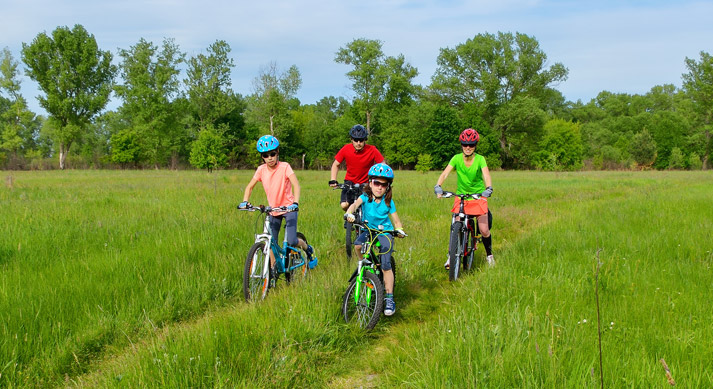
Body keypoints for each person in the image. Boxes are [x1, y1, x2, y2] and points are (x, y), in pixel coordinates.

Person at [239, 135, 314, 274]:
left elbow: (296, 185)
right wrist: (245, 201)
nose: (270, 158)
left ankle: (307, 248)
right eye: (266, 155)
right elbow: (249, 187)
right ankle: (273, 270)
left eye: (272, 154)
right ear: (262, 157)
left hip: (289, 208)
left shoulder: (285, 167)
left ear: (277, 152)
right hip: (273, 210)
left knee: (291, 241)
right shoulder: (261, 170)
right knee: (271, 241)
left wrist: (295, 203)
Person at [345, 163, 406, 316]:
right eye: (376, 183)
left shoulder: (388, 201)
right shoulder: (365, 197)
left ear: (388, 186)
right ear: (370, 183)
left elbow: (397, 221)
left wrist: (399, 230)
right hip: (368, 229)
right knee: (358, 246)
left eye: (383, 184)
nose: (379, 187)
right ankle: (363, 263)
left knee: (385, 264)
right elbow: (353, 205)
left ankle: (389, 297)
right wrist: (350, 214)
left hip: (384, 232)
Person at [434, 128, 495, 267]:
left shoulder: (480, 159)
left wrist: (488, 188)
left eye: (471, 145)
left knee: (484, 229)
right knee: (455, 223)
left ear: (475, 145)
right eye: (465, 145)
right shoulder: (456, 158)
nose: (468, 148)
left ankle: (489, 256)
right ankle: (451, 256)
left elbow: (486, 175)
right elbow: (444, 174)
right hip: (461, 197)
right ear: (461, 145)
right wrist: (438, 186)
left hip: (478, 196)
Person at [329, 124, 385, 211]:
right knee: (344, 205)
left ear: (365, 140)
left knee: (370, 207)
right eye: (356, 140)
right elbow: (336, 164)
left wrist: (381, 180)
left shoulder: (372, 150)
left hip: (366, 183)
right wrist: (333, 179)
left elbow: (382, 165)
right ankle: (351, 215)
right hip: (349, 182)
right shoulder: (346, 149)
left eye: (361, 140)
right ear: (351, 139)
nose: (358, 143)